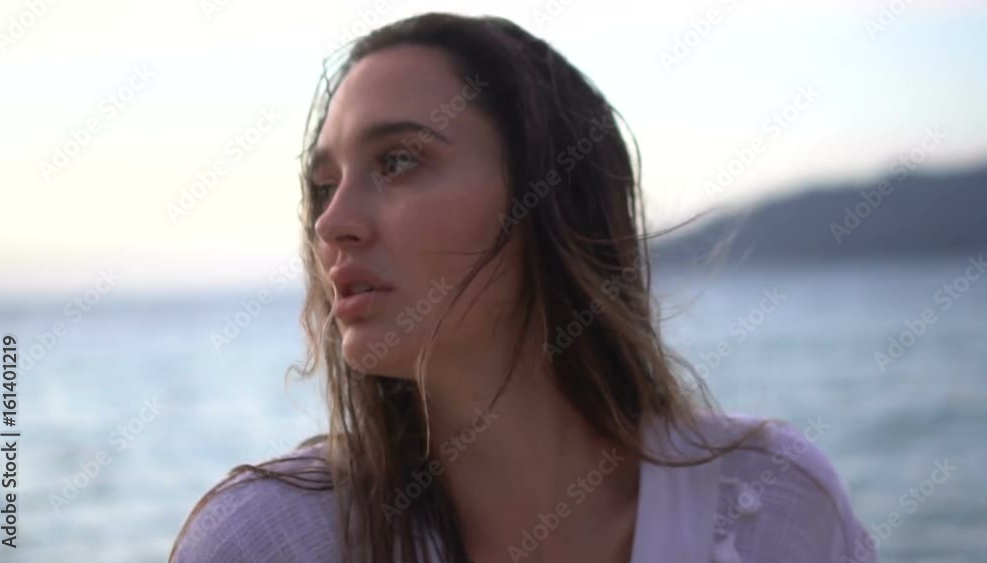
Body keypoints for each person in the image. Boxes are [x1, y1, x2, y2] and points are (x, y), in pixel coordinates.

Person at [170, 12, 875, 563]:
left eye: (398, 161)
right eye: (325, 185)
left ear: (549, 196)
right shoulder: (270, 541)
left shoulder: (772, 507)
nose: (334, 222)